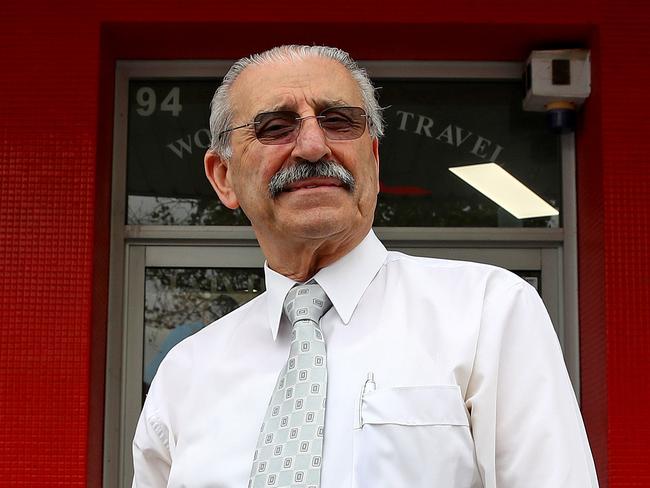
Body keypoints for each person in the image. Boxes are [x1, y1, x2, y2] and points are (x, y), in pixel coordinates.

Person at [132, 45, 599, 487]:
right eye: (276, 127)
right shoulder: (185, 374)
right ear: (223, 178)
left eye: (338, 121)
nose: (313, 146)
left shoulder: (487, 314)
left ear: (372, 161)